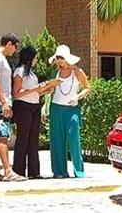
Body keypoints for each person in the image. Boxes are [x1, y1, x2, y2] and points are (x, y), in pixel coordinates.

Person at [43, 45, 90, 178]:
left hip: (71, 109)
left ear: (67, 58)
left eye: (61, 58)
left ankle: (79, 171)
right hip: (56, 108)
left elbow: (87, 88)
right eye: (57, 58)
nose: (59, 61)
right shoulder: (55, 73)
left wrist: (77, 97)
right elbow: (49, 91)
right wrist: (45, 106)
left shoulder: (77, 71)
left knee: (74, 138)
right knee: (56, 140)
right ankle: (59, 171)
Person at [0, 33, 25, 182]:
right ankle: (8, 171)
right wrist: (3, 102)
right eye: (15, 47)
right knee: (2, 135)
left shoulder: (0, 59)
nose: (15, 51)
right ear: (9, 44)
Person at [12, 46, 46, 179]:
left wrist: (45, 89)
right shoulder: (19, 71)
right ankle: (18, 171)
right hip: (23, 106)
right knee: (23, 138)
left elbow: (33, 91)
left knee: (33, 139)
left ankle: (34, 171)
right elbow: (16, 93)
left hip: (34, 105)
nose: (36, 60)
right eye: (35, 57)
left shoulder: (32, 73)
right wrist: (35, 89)